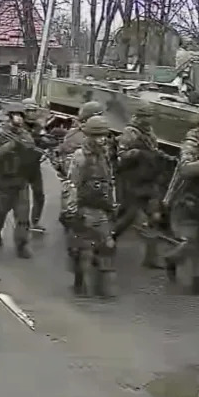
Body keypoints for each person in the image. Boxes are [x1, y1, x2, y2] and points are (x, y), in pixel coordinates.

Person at [162, 113, 199, 294]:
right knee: (194, 242)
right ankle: (195, 280)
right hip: (188, 199)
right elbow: (185, 168)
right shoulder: (191, 144)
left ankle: (174, 261)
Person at [65, 116, 117, 297]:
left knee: (107, 245)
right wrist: (71, 210)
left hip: (102, 206)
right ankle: (81, 283)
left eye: (104, 135)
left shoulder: (104, 154)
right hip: (84, 206)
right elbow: (72, 184)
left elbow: (109, 181)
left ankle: (104, 287)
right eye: (98, 136)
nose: (102, 139)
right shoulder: (80, 157)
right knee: (83, 248)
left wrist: (112, 203)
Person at [113, 103, 169, 269]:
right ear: (140, 117)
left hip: (149, 180)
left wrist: (156, 155)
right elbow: (121, 155)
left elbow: (154, 148)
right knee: (128, 217)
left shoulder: (149, 131)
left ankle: (151, 258)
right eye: (147, 116)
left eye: (151, 116)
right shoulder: (130, 132)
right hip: (133, 180)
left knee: (155, 217)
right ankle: (109, 240)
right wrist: (138, 153)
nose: (150, 119)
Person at [54, 101, 106, 260]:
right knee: (72, 215)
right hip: (76, 181)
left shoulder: (89, 135)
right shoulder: (78, 136)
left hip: (89, 183)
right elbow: (72, 169)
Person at [0, 105, 38, 259]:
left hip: (21, 182)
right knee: (1, 215)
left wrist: (26, 148)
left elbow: (32, 150)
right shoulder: (0, 134)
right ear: (9, 118)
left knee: (23, 218)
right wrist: (11, 145)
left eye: (20, 118)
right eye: (14, 117)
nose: (18, 121)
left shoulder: (25, 135)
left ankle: (21, 245)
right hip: (3, 183)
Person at [19, 98, 56, 233]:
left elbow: (43, 141)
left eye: (34, 110)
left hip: (34, 166)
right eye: (29, 110)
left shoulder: (38, 126)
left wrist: (49, 142)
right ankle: (22, 224)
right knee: (23, 199)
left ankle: (35, 222)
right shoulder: (17, 127)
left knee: (39, 195)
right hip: (20, 167)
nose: (32, 113)